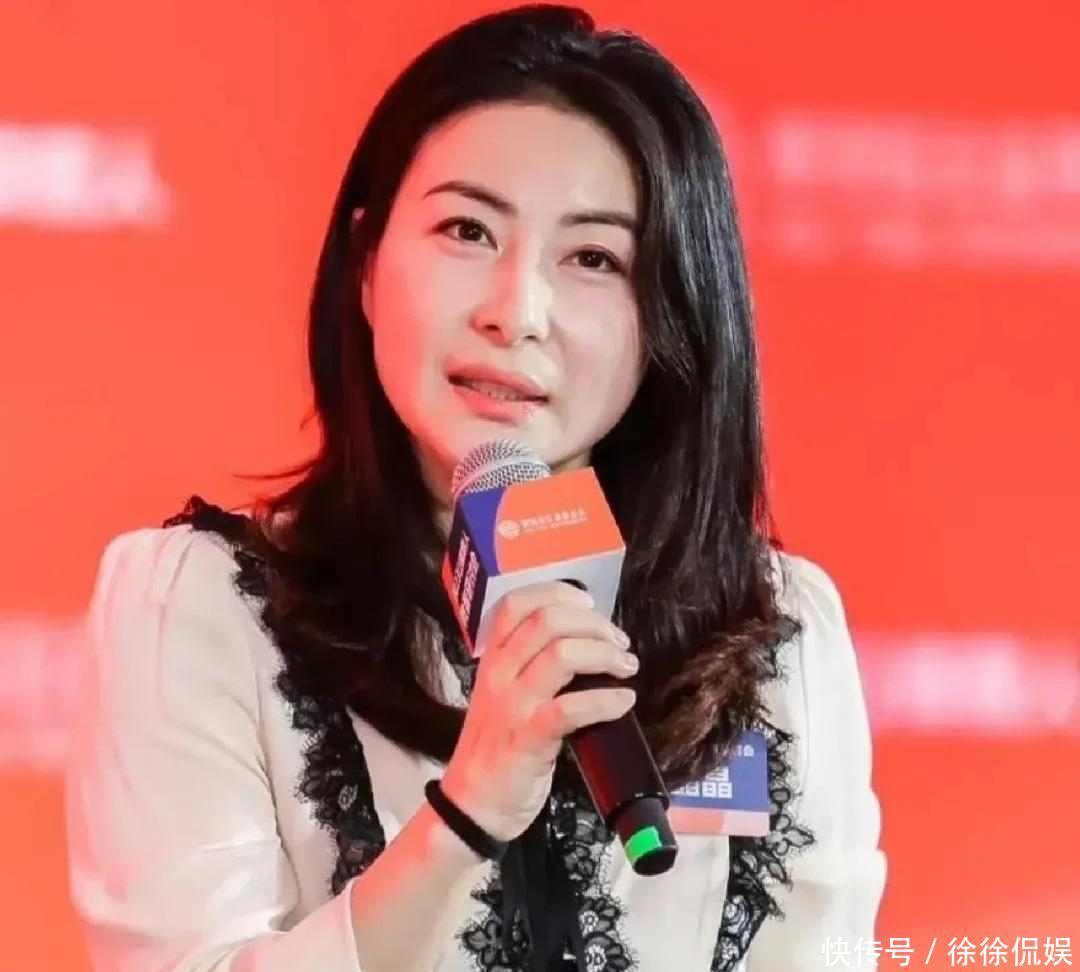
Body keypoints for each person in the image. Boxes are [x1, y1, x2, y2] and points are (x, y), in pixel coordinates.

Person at [64, 5, 886, 971]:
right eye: (468, 230)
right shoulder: (199, 608)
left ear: (672, 316)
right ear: (367, 266)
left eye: (594, 258)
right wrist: (465, 815)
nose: (516, 311)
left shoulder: (776, 627)